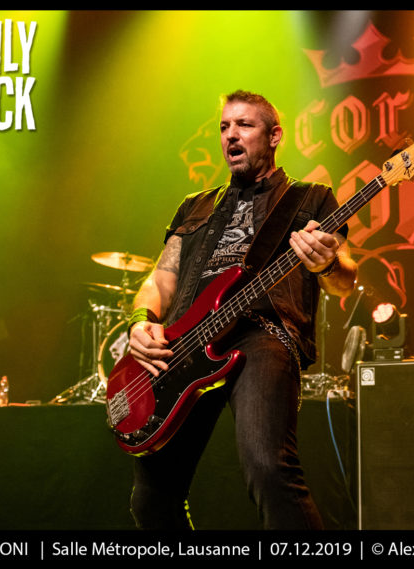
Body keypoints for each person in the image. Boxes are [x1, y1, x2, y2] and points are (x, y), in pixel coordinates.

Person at [125, 90, 357, 530]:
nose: (231, 135)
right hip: (186, 344)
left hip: (262, 334)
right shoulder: (196, 205)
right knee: (151, 495)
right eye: (224, 127)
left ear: (274, 136)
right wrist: (142, 321)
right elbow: (160, 280)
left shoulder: (310, 199)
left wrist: (326, 263)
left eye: (244, 125)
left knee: (269, 469)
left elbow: (343, 278)